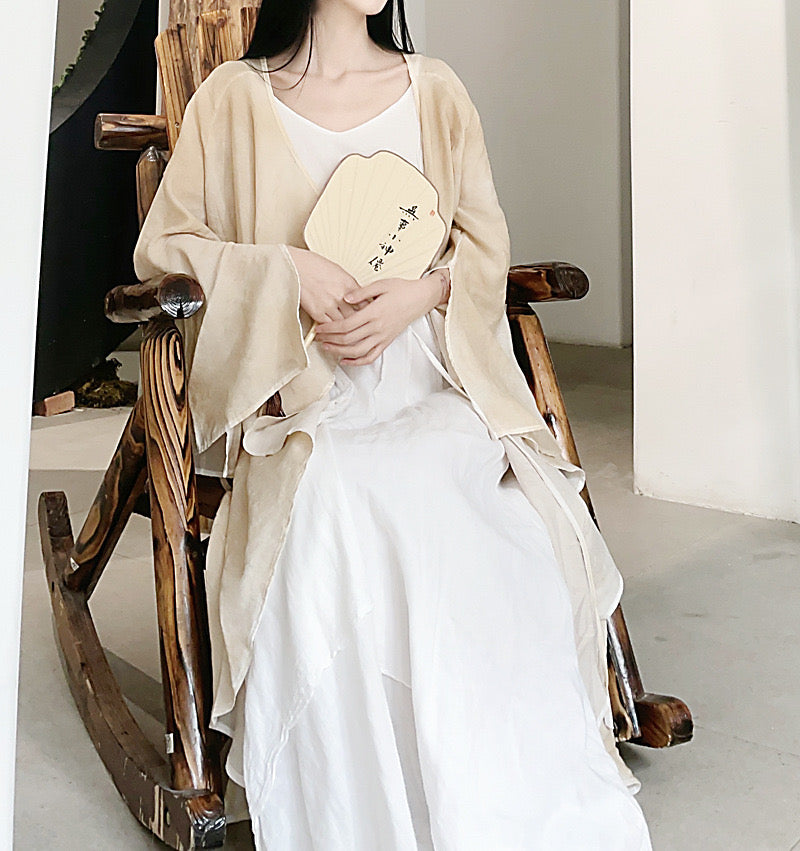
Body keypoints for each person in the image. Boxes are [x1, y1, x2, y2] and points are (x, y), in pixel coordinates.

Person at [134, 1, 653, 847]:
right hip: (310, 407)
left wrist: (423, 291)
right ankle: (369, 799)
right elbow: (166, 249)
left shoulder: (435, 90)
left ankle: (489, 790)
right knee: (337, 491)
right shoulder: (233, 98)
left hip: (432, 381)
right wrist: (285, 269)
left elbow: (482, 244)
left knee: (458, 486)